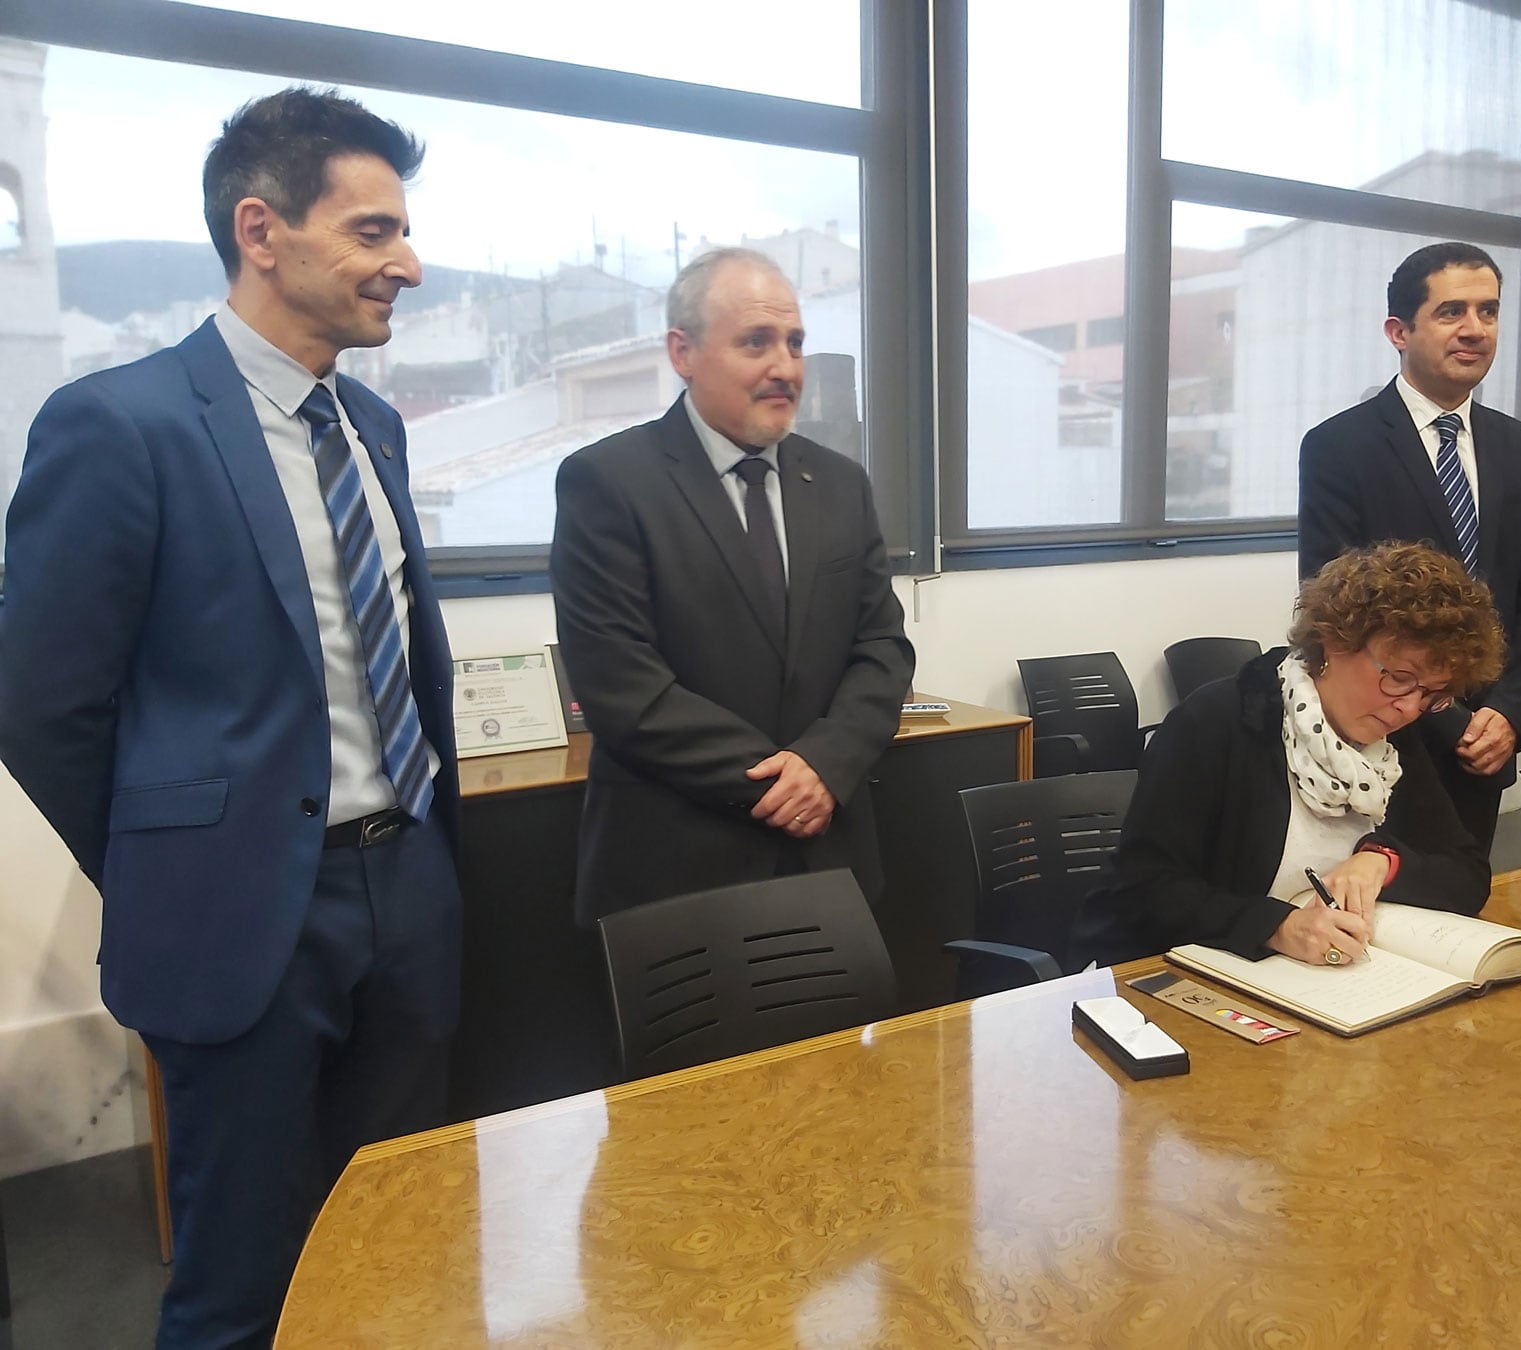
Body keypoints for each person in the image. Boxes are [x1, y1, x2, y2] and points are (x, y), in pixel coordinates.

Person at [0, 89, 459, 1347]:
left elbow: (403, 654)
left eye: (403, 233)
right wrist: (177, 861)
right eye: (372, 234)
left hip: (408, 892)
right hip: (245, 917)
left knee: (402, 1240)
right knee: (241, 1284)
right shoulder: (119, 425)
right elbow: (43, 704)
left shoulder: (372, 425)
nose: (405, 265)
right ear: (262, 230)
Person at [550, 247, 914, 926]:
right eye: (756, 342)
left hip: (829, 860)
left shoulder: (841, 484)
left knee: (841, 1038)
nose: (784, 366)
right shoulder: (608, 483)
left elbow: (883, 650)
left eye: (795, 343)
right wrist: (781, 784)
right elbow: (622, 686)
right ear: (682, 352)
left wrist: (824, 766)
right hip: (676, 876)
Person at [1075, 542, 1505, 969]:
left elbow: (1467, 873)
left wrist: (1383, 860)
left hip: (1326, 979)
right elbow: (1142, 890)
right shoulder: (1218, 722)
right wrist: (1277, 927)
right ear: (1335, 641)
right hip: (1190, 975)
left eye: (1432, 693)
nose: (1410, 707)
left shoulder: (1393, 738)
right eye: (1400, 678)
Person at [1297, 242, 1521, 852]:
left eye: (1489, 311)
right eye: (1452, 312)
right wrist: (1450, 721)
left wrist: (1511, 714)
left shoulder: (1519, 446)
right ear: (1399, 330)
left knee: (1462, 908)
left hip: (1492, 740)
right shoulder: (1340, 447)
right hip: (1387, 737)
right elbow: (1335, 605)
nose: (1475, 329)